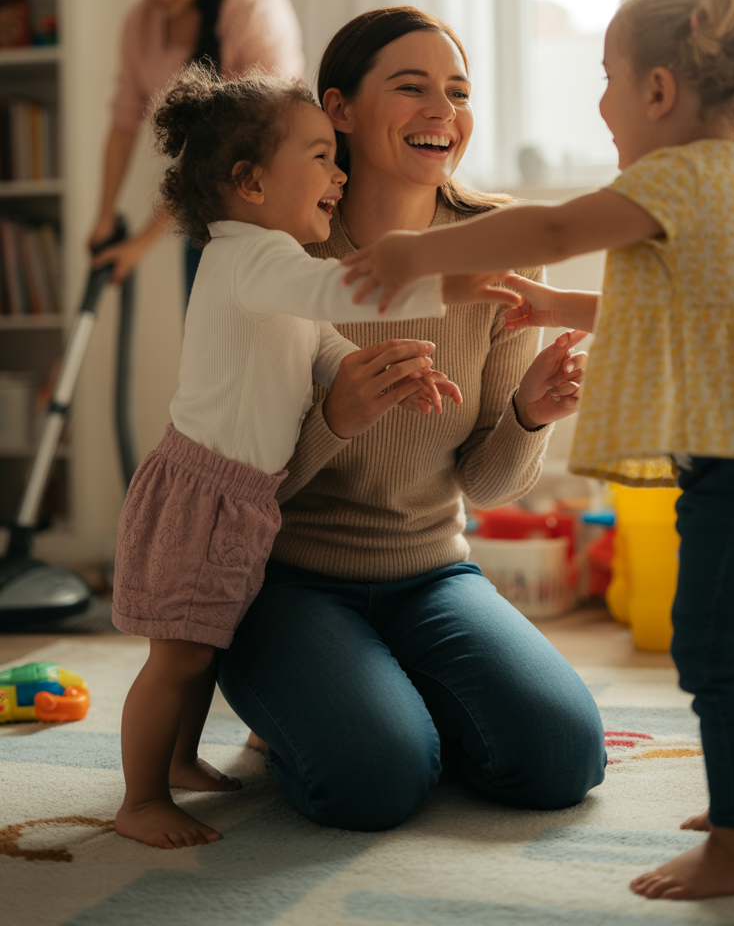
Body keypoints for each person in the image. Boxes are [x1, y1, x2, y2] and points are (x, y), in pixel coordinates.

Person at [342, 0, 734, 899]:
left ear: (658, 89)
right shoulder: (733, 176)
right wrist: (547, 303)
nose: (601, 100)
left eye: (606, 79)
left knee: (716, 652)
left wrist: (419, 252)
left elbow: (560, 221)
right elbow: (679, 303)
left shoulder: (675, 173)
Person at [217, 6, 607, 834]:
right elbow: (234, 482)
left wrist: (530, 417)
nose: (444, 111)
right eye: (412, 87)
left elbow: (487, 487)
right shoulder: (283, 255)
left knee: (560, 760)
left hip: (432, 573)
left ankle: (375, 693)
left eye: (458, 92)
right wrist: (336, 417)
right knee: (375, 784)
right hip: (287, 581)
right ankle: (319, 703)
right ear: (340, 111)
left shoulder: (497, 247)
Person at [111, 64, 512, 850]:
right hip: (206, 493)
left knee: (205, 638)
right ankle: (140, 797)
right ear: (250, 182)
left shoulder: (271, 265)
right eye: (322, 157)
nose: (339, 174)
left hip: (243, 493)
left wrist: (391, 367)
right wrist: (455, 283)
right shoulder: (251, 257)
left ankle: (184, 757)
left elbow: (322, 340)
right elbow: (346, 297)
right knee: (180, 652)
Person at [89, 0, 305, 298]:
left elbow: (237, 138)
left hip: (268, 203)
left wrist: (140, 243)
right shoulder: (140, 25)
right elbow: (123, 119)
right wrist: (104, 217)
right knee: (207, 346)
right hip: (206, 212)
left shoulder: (253, 6)